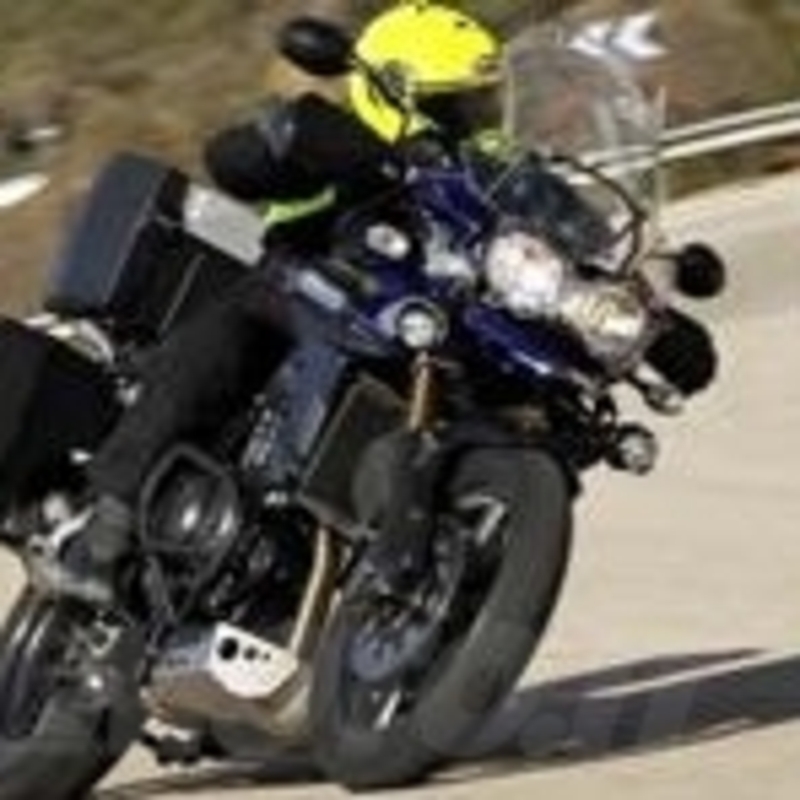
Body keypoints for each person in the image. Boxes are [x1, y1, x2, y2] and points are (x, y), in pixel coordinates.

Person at [45, 0, 716, 604]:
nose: (473, 120)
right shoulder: (339, 141)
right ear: (393, 92)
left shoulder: (501, 170)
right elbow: (234, 158)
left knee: (549, 413)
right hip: (317, 286)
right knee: (230, 336)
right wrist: (285, 139)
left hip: (446, 328)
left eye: (482, 103)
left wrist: (644, 313)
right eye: (453, 106)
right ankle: (105, 521)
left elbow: (583, 242)